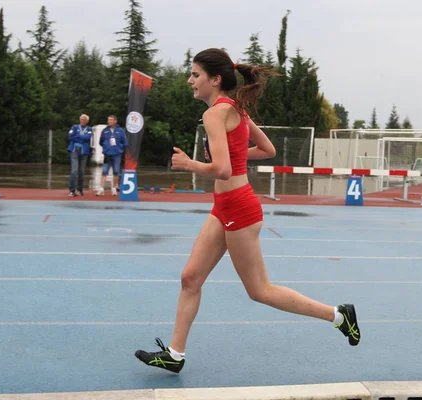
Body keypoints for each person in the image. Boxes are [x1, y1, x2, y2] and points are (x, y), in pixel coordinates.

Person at [134, 48, 360, 373]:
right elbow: (267, 150)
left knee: (260, 291)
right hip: (225, 205)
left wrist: (189, 164)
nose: (190, 80)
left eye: (195, 74)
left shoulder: (215, 114)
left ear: (215, 79)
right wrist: (235, 157)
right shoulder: (234, 108)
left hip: (238, 207)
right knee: (190, 278)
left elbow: (223, 170)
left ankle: (338, 315)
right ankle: (175, 354)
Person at [97, 115, 129, 196]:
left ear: (115, 121)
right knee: (104, 170)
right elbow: (101, 142)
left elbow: (125, 142)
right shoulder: (104, 131)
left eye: (111, 120)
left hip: (117, 154)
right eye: (108, 120)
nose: (109, 121)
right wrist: (106, 146)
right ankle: (101, 188)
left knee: (116, 171)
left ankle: (114, 188)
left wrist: (119, 147)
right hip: (107, 154)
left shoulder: (120, 130)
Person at [67, 114, 93, 197]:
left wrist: (78, 136)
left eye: (84, 119)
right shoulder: (74, 127)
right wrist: (81, 138)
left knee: (81, 171)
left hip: (83, 151)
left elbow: (88, 138)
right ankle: (72, 190)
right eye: (81, 119)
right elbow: (71, 136)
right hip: (74, 150)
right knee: (74, 170)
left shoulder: (89, 129)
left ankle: (80, 189)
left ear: (87, 121)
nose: (83, 120)